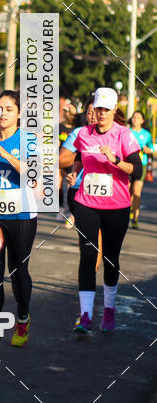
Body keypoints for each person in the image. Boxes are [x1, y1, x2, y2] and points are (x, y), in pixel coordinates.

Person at [59, 87, 141, 333]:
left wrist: (116, 160)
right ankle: (84, 316)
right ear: (93, 109)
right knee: (87, 256)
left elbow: (136, 170)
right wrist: (72, 173)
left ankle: (109, 308)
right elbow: (77, 159)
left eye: (107, 109)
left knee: (111, 259)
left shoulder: (124, 136)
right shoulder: (83, 134)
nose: (102, 113)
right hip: (86, 203)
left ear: (114, 110)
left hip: (116, 206)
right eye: (98, 108)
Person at [0, 90, 37, 347]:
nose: (2, 113)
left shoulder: (28, 140)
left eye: (9, 109)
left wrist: (6, 155)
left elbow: (34, 178)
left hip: (22, 214)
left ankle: (22, 319)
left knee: (18, 270)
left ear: (19, 113)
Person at [62, 97, 96, 230]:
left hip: (105, 192)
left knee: (99, 235)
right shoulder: (79, 133)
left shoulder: (117, 134)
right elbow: (62, 158)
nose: (93, 116)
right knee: (87, 235)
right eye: (89, 112)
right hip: (79, 188)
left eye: (96, 111)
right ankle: (72, 215)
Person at [128, 111, 153, 229]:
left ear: (142, 121)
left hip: (141, 164)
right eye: (134, 117)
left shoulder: (146, 134)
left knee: (136, 191)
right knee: (128, 190)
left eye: (138, 118)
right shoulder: (126, 132)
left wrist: (146, 149)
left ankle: (135, 219)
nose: (135, 119)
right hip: (127, 164)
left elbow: (151, 149)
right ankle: (129, 210)